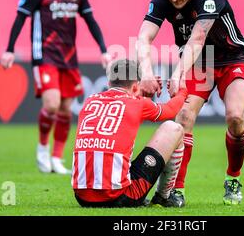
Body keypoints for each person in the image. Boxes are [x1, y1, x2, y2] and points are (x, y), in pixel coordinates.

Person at [137, 0, 244, 206]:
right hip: (199, 64)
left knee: (235, 117)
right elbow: (144, 38)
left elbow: (198, 39)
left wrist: (177, 73)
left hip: (232, 58)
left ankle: (233, 177)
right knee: (183, 118)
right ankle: (175, 190)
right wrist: (146, 73)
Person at [0, 0, 112, 174]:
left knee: (65, 109)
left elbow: (91, 21)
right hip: (45, 55)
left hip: (69, 57)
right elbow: (20, 18)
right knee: (51, 104)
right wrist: (9, 49)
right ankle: (42, 148)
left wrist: (103, 49)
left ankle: (57, 158)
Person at [72, 59, 187, 207]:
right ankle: (164, 197)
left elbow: (126, 103)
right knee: (173, 129)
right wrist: (183, 92)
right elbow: (171, 110)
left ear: (109, 84)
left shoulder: (89, 101)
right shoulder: (137, 103)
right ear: (135, 86)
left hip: (82, 197)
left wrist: (140, 93)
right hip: (117, 196)